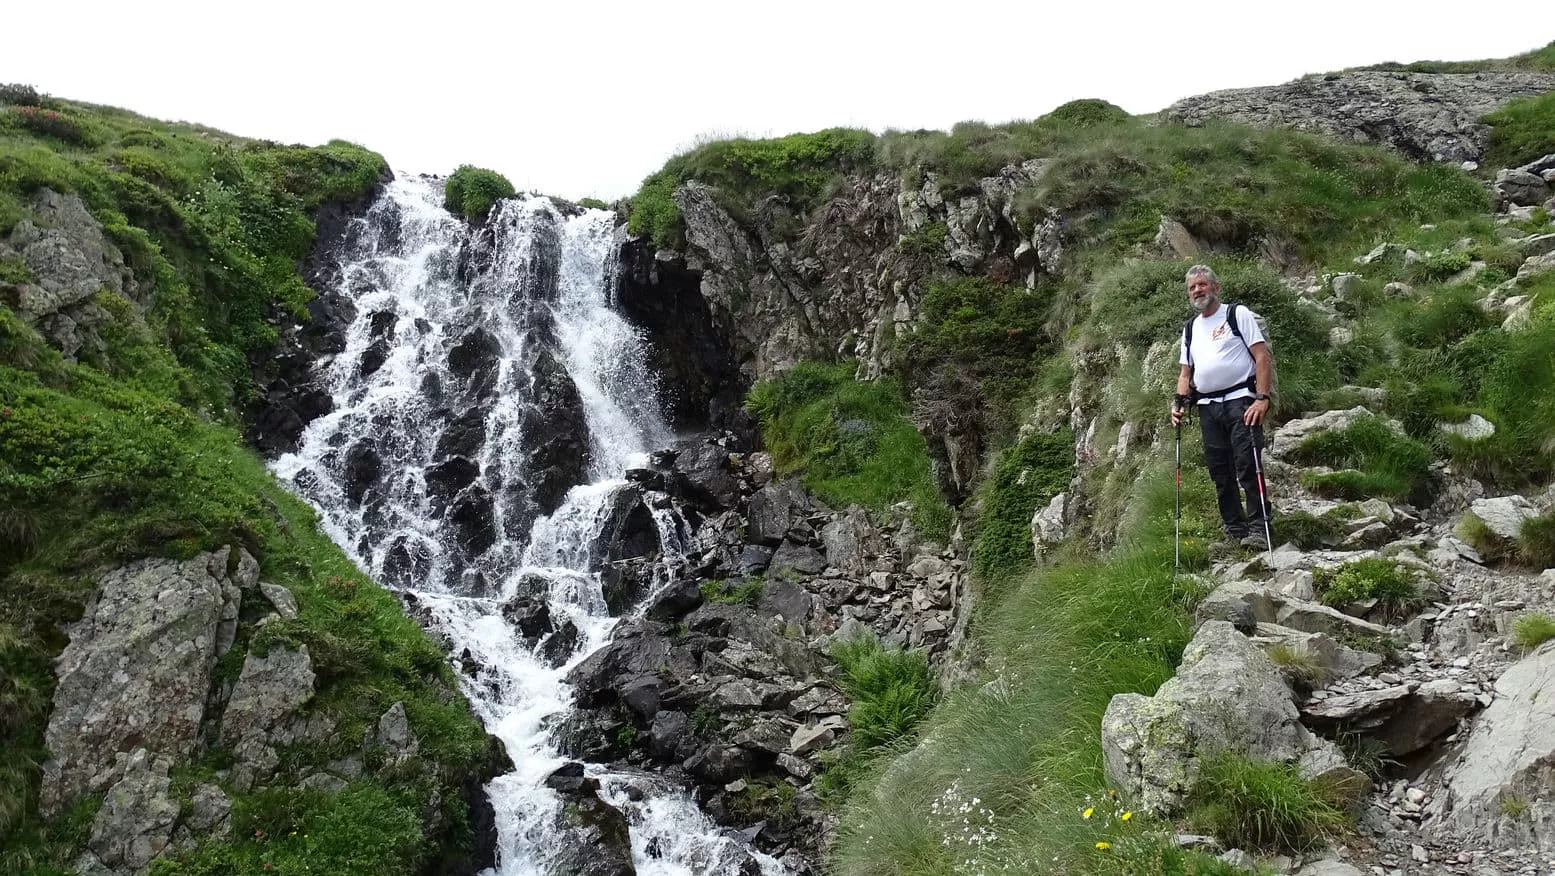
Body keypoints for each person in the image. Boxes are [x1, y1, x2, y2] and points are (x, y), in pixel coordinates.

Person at [1170, 265, 1275, 552]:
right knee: (1220, 471)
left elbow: (1261, 356)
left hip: (1242, 400)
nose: (1197, 291)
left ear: (1216, 287)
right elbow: (1185, 374)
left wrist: (1262, 398)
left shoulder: (1236, 314)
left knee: (1247, 464)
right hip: (1207, 406)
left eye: (1202, 285)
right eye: (1192, 287)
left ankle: (1259, 528)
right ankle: (1235, 529)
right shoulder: (1190, 328)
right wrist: (1179, 404)